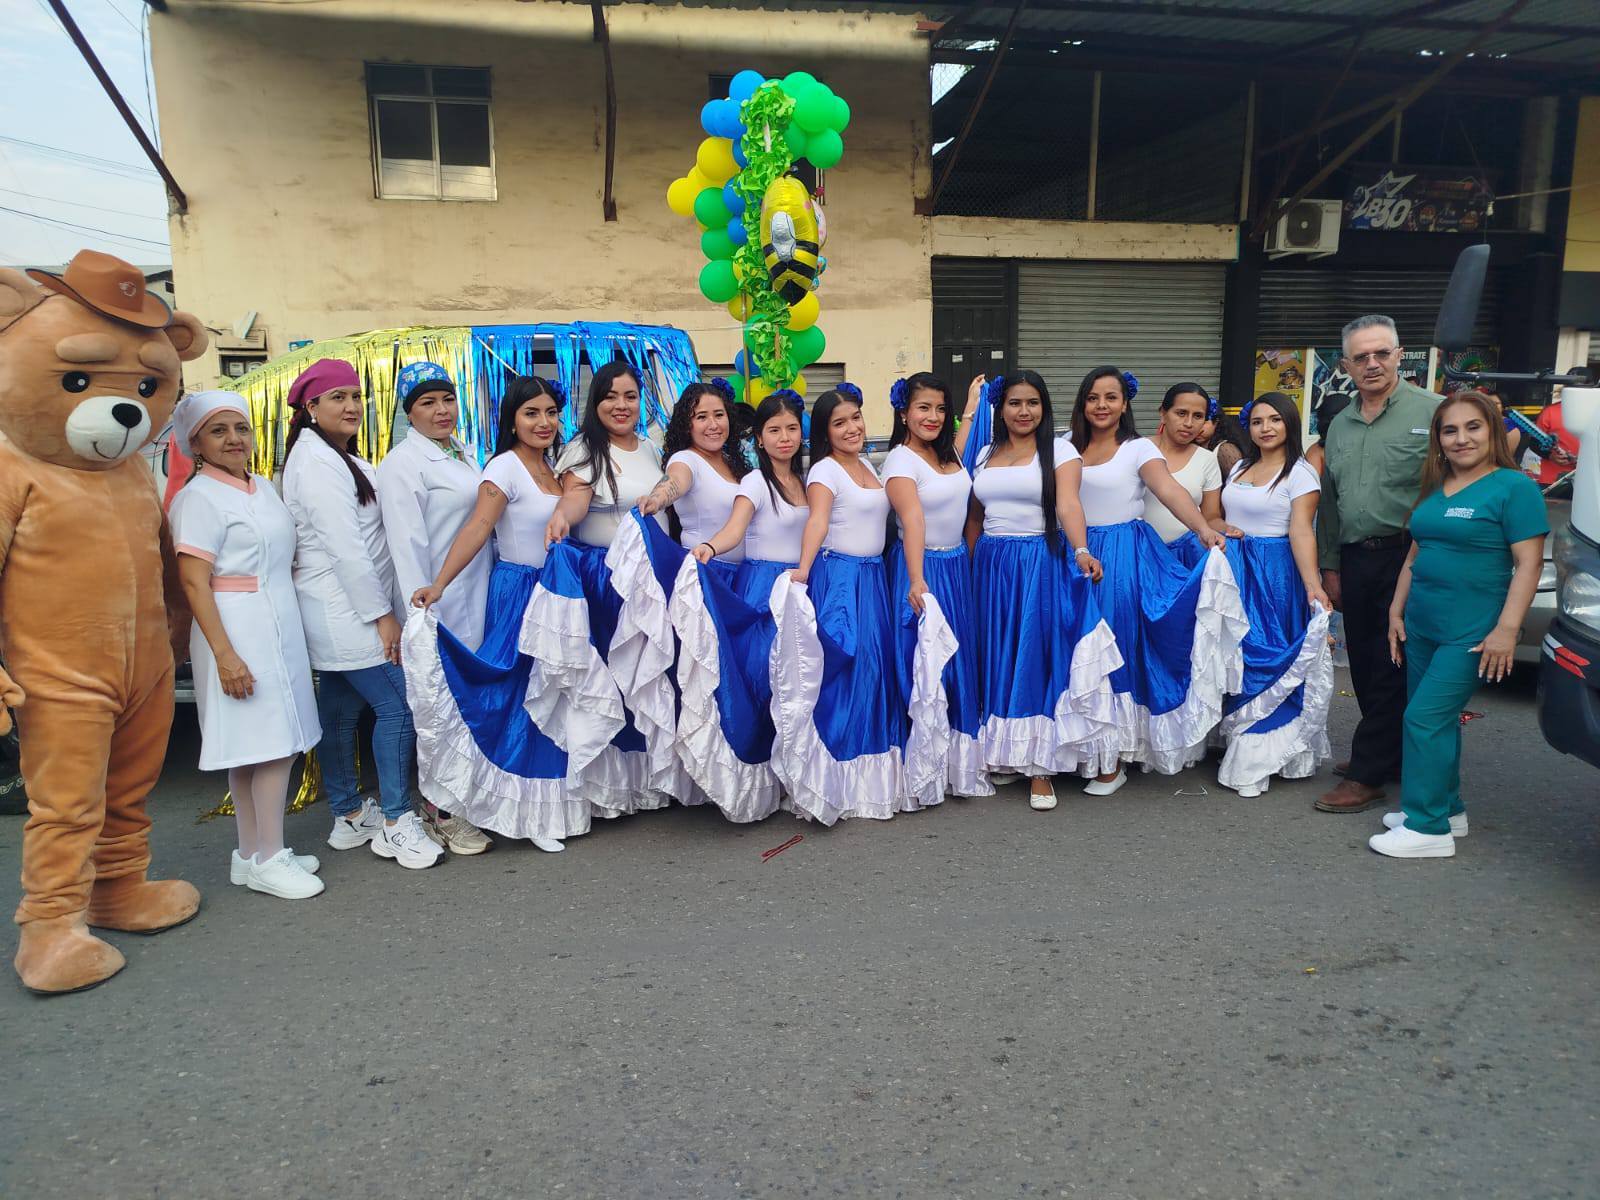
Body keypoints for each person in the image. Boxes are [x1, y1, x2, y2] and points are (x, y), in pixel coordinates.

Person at [1369, 391, 1548, 857]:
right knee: (1438, 720)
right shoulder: (1437, 485)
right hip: (1422, 624)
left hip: (1472, 630)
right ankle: (1447, 810)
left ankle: (1427, 829)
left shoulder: (1515, 488)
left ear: (1493, 431)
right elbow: (1415, 554)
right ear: (1438, 439)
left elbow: (1528, 565)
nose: (1461, 438)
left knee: (1424, 719)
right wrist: (1396, 610)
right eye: (1450, 430)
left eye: (1473, 427)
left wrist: (1507, 630)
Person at [404, 377, 579, 853]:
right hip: (519, 591)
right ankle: (521, 810)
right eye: (531, 413)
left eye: (551, 412)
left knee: (555, 698)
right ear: (512, 420)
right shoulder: (504, 466)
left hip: (555, 594)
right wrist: (439, 584)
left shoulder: (554, 466)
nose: (544, 422)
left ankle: (552, 803)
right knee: (518, 698)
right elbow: (478, 526)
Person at [281, 359, 441, 870]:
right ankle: (396, 821)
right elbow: (345, 547)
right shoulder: (316, 463)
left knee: (340, 711)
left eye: (356, 396)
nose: (352, 406)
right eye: (338, 398)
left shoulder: (335, 455)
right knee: (398, 707)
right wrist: (381, 615)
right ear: (311, 407)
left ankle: (349, 815)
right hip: (347, 610)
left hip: (343, 608)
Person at [168, 392, 323, 899]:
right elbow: (193, 582)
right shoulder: (198, 498)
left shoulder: (262, 488)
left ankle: (251, 852)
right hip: (236, 626)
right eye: (219, 431)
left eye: (241, 428)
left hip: (277, 620)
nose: (234, 439)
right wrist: (225, 655)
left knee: (255, 749)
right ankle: (270, 859)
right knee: (271, 746)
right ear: (196, 444)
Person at [1073, 366, 1241, 794]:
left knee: (1110, 647)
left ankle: (1110, 759)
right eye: (1093, 397)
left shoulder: (1137, 449)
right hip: (1072, 552)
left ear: (1124, 404)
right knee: (1072, 647)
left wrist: (1203, 529)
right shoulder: (1066, 446)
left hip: (1120, 557)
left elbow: (1168, 490)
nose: (1102, 405)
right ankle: (1075, 748)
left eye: (1111, 397)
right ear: (1082, 402)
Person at [523, 360, 681, 815]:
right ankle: (609, 788)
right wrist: (561, 517)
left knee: (648, 678)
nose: (621, 405)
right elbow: (575, 500)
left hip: (652, 580)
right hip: (608, 581)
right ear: (595, 403)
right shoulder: (584, 449)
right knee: (614, 681)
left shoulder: (650, 448)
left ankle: (649, 780)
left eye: (630, 396)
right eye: (610, 397)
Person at [772, 385, 934, 821]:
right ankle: (832, 777)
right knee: (843, 672)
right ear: (825, 432)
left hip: (873, 579)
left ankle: (870, 778)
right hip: (841, 580)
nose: (851, 428)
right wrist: (804, 569)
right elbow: (818, 521)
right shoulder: (825, 471)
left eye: (856, 418)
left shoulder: (867, 465)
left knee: (874, 673)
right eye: (839, 423)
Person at [966, 371, 1120, 811]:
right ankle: (1008, 753)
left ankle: (1042, 768)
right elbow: (975, 516)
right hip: (992, 566)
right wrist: (971, 565)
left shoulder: (1061, 450)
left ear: (1044, 407)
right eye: (1015, 403)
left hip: (1039, 562)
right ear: (1001, 408)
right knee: (998, 657)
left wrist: (1081, 550)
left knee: (1035, 659)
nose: (1024, 411)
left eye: (1032, 403)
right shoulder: (984, 453)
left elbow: (1069, 503)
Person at [1314, 315, 1440, 815]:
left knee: (1392, 661)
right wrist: (1330, 567)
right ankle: (1390, 753)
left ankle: (1367, 774)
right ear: (1346, 366)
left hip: (1409, 556)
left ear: (1399, 356)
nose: (1372, 364)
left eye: (1381, 353)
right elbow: (1330, 503)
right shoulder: (1340, 425)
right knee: (1365, 664)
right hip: (1355, 558)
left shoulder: (1434, 412)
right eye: (1361, 357)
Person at [672, 391, 810, 821]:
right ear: (759, 438)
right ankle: (749, 783)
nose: (784, 437)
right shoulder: (753, 481)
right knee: (760, 684)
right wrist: (710, 547)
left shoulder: (805, 479)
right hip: (762, 588)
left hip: (798, 588)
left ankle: (791, 779)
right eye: (774, 430)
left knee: (795, 687)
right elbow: (736, 528)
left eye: (791, 428)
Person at [375, 361, 494, 856]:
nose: (442, 410)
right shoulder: (403, 464)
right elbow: (406, 545)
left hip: (475, 596)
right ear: (409, 413)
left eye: (447, 399)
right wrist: (420, 618)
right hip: (438, 607)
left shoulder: (460, 452)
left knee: (467, 708)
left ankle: (468, 800)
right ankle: (443, 812)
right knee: (439, 710)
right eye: (427, 403)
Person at [1214, 392, 1333, 798]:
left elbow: (1301, 531)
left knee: (1268, 655)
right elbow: (1222, 516)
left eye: (1275, 420)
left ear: (1289, 424)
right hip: (1234, 571)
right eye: (1257, 421)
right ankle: (1238, 736)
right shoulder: (1239, 467)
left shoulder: (1301, 474)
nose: (1265, 428)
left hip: (1274, 574)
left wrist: (1313, 585)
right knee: (1237, 655)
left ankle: (1260, 757)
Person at [881, 374, 988, 800]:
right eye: (924, 408)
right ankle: (922, 769)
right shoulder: (900, 461)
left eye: (941, 409)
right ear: (903, 413)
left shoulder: (948, 455)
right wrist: (916, 578)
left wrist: (971, 406)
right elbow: (913, 519)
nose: (933, 417)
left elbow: (954, 466)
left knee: (956, 663)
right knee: (925, 666)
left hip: (956, 567)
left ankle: (953, 765)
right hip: (921, 569)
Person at [1144, 382, 1233, 566]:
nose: (1188, 423)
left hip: (1187, 555)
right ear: (1163, 413)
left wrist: (1226, 529)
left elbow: (1211, 516)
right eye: (1181, 413)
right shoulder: (1138, 449)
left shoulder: (1207, 459)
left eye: (1198, 416)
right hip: (1141, 554)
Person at [1534, 395, 1580, 486]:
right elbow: (1534, 443)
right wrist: (1550, 456)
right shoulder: (1550, 411)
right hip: (1552, 481)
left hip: (1590, 479)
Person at [1202, 411, 1250, 478]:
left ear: (1216, 422)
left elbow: (1239, 480)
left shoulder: (1225, 449)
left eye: (1204, 422)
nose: (1198, 426)